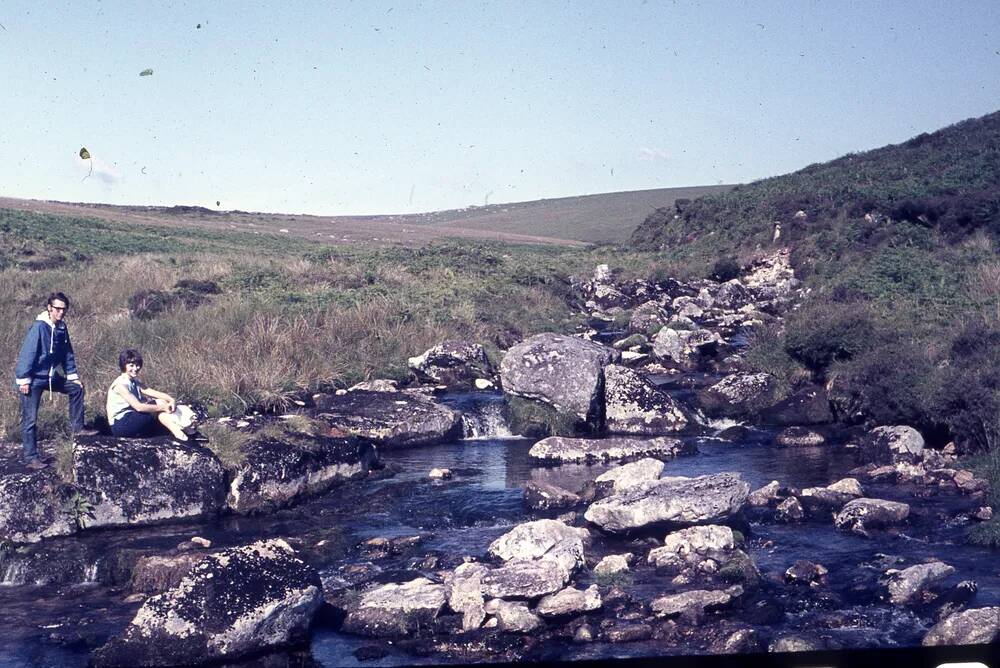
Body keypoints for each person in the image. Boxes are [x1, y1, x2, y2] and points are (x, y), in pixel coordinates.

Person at [14, 292, 96, 469]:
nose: (61, 312)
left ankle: (77, 428)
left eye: (64, 309)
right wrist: (24, 380)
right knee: (30, 420)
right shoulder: (39, 327)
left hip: (51, 377)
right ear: (49, 308)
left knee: (76, 389)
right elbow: (27, 354)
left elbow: (68, 354)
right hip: (34, 379)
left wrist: (73, 376)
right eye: (57, 309)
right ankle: (31, 458)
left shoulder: (61, 328)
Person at [106, 349, 190, 441]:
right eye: (131, 365)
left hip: (132, 418)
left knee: (162, 403)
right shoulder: (120, 385)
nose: (135, 368)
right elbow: (138, 407)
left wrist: (171, 400)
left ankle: (182, 432)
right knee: (160, 407)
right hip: (122, 424)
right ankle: (182, 433)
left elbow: (149, 391)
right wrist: (163, 407)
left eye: (137, 365)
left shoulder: (134, 381)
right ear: (124, 366)